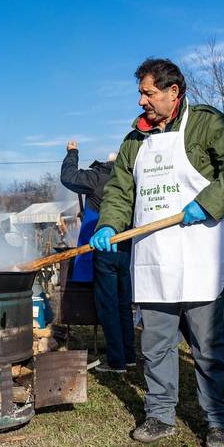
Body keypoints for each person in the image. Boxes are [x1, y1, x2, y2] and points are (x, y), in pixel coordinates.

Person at [91, 58, 224, 447]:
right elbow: (120, 191)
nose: (141, 101)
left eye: (148, 93)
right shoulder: (134, 139)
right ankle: (160, 414)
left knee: (209, 347)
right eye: (140, 93)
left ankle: (220, 419)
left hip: (200, 256)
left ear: (173, 92)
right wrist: (108, 225)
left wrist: (211, 202)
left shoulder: (204, 124)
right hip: (153, 259)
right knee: (154, 346)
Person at [61, 142, 135, 373]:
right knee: (124, 304)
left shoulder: (98, 176)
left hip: (103, 248)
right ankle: (129, 355)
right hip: (127, 248)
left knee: (108, 306)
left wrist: (72, 152)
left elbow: (68, 176)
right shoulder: (131, 179)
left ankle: (116, 362)